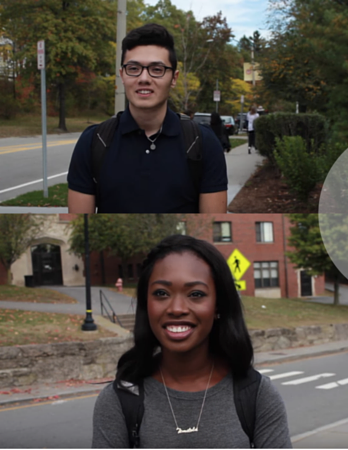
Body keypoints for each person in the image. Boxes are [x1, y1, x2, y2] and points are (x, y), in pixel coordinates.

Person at [92, 235, 291, 448]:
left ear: (218, 305)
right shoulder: (119, 400)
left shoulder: (257, 395)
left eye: (196, 294)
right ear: (145, 304)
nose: (177, 308)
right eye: (161, 293)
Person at [67, 23, 227, 213]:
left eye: (157, 69)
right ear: (122, 76)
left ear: (174, 78)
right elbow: (79, 225)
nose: (144, 78)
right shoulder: (93, 142)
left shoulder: (203, 143)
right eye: (133, 68)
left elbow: (212, 224)